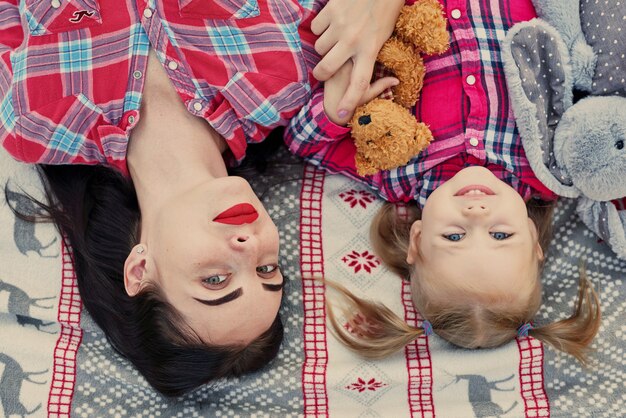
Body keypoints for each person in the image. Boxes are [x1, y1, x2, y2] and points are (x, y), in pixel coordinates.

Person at [0, 0, 404, 396]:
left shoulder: (34, 122)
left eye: (215, 280)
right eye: (267, 269)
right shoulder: (289, 76)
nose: (248, 247)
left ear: (139, 270)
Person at [284, 0, 602, 361]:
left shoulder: (397, 176)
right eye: (501, 235)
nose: (477, 213)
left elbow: (304, 143)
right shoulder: (554, 167)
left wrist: (337, 110)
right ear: (532, 237)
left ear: (416, 241)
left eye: (454, 236)